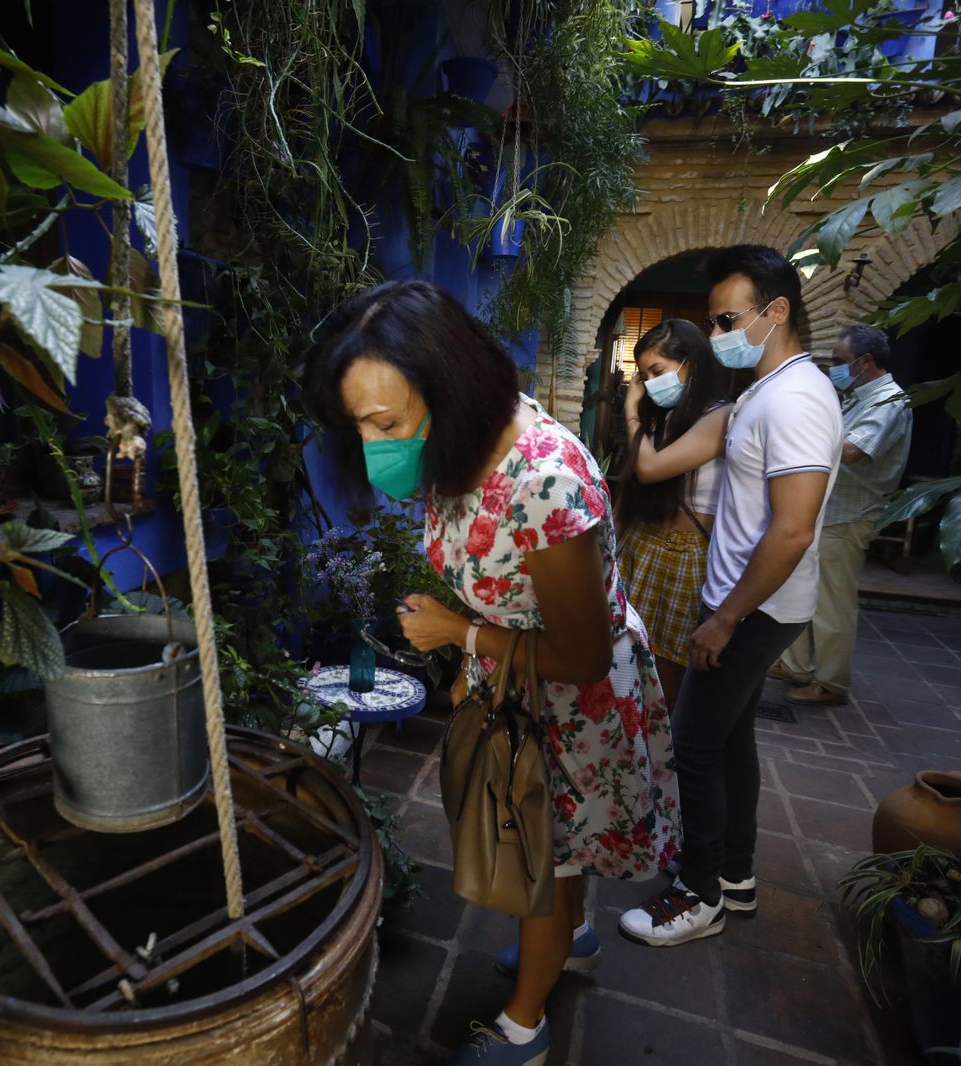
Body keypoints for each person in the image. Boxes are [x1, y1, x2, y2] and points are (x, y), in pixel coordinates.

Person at [302, 280, 679, 1065]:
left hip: (573, 707)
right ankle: (572, 940)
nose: (377, 448)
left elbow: (577, 657)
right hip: (522, 688)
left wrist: (459, 632)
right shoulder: (464, 443)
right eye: (360, 427)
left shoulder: (546, 482)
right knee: (560, 854)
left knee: (539, 862)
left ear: (451, 389)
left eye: (387, 423)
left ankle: (524, 1027)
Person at [618, 245, 843, 947]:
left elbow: (793, 530)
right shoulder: (762, 394)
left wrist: (725, 618)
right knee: (731, 741)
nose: (717, 335)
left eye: (726, 319)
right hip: (749, 603)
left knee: (692, 743)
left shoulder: (799, 399)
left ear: (776, 312)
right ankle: (735, 878)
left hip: (755, 609)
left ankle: (699, 893)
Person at [770, 324, 913, 706]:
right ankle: (795, 665)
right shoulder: (856, 396)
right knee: (802, 589)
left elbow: (851, 451)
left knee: (833, 601)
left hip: (849, 516)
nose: (833, 368)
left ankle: (832, 682)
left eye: (839, 361)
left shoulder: (889, 401)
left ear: (865, 362)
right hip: (827, 512)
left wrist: (799, 427)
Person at [615, 319, 734, 710]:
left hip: (684, 555)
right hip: (644, 545)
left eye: (658, 372)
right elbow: (637, 482)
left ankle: (665, 752)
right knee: (630, 654)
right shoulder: (668, 415)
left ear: (692, 365)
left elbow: (650, 468)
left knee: (668, 668)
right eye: (645, 375)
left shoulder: (720, 416)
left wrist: (632, 409)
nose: (650, 383)